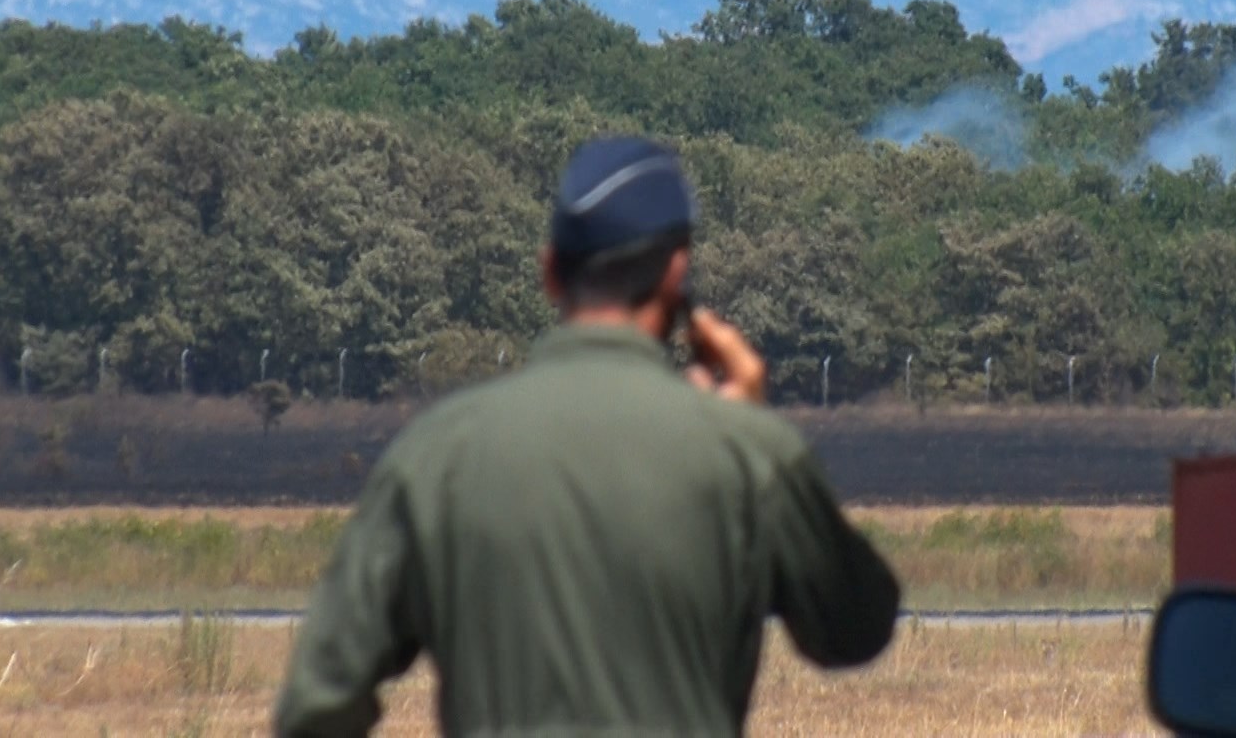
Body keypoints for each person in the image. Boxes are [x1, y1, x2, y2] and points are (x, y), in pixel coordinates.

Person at [275, 136, 900, 737]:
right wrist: (760, 434)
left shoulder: (435, 455)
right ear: (676, 271)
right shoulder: (746, 454)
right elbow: (854, 628)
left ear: (551, 274)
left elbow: (317, 704)